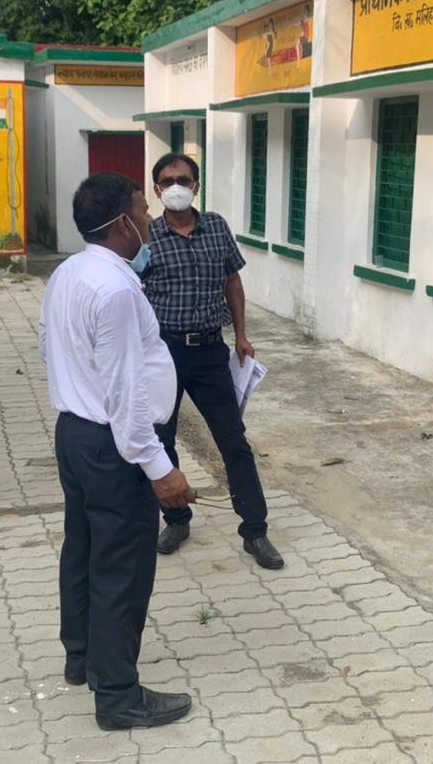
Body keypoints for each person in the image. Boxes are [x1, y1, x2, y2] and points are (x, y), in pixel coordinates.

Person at [38, 171, 196, 731]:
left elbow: (48, 346)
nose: (151, 219)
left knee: (83, 550)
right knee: (121, 569)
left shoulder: (67, 272)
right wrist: (160, 468)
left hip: (75, 434)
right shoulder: (116, 290)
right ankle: (119, 696)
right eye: (143, 211)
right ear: (125, 223)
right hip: (113, 445)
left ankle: (82, 658)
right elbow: (126, 393)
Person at [142, 153, 282, 570]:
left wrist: (241, 335)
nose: (176, 187)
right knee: (162, 440)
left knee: (234, 442)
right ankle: (176, 521)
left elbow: (232, 280)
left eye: (184, 180)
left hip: (209, 352)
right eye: (168, 181)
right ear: (157, 189)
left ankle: (255, 531)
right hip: (163, 352)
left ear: (196, 186)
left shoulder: (217, 227)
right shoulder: (146, 236)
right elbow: (132, 292)